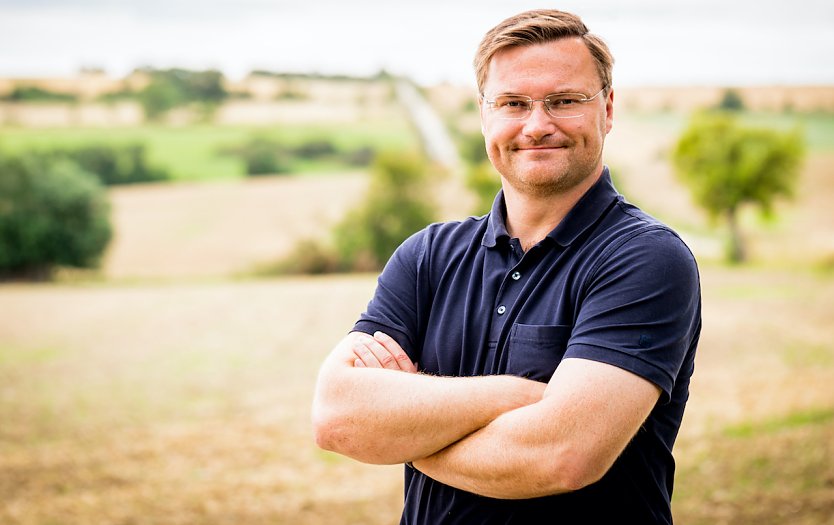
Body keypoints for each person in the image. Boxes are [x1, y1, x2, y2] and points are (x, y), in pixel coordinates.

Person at [312, 8, 701, 524]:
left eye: (564, 101)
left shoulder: (645, 258)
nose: (537, 125)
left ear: (606, 109)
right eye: (513, 103)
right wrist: (514, 397)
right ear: (483, 115)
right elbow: (338, 418)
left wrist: (404, 432)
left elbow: (562, 457)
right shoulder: (428, 255)